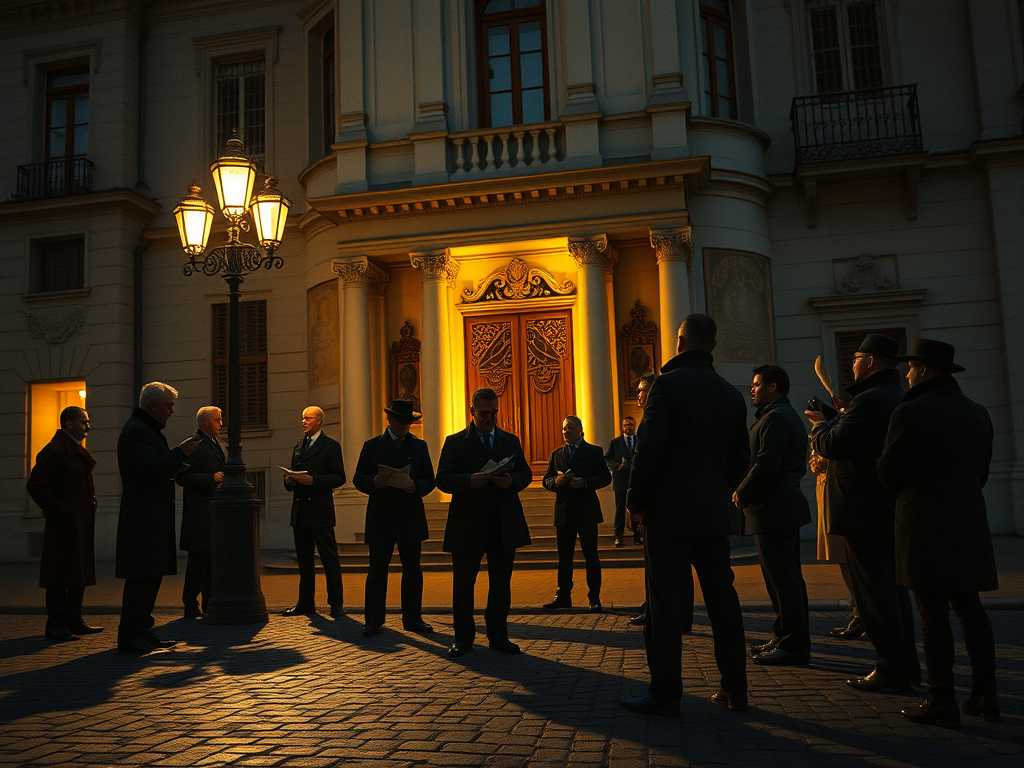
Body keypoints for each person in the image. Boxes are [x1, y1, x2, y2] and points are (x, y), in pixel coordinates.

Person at [622, 314, 750, 716]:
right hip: (712, 512)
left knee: (665, 603)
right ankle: (736, 688)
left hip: (668, 514)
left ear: (679, 343)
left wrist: (635, 501)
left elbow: (648, 450)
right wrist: (716, 491)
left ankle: (665, 691)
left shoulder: (665, 386)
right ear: (712, 346)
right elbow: (740, 460)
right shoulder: (731, 394)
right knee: (722, 600)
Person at [878, 339, 1000, 726]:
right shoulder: (978, 412)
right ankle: (985, 695)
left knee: (931, 612)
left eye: (910, 368)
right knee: (970, 607)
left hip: (924, 523)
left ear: (924, 370)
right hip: (968, 519)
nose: (907, 373)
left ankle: (941, 699)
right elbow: (980, 472)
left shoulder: (910, 411)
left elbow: (889, 473)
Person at [807, 334, 919, 692]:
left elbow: (835, 445)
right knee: (893, 589)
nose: (852, 364)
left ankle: (891, 668)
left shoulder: (870, 400)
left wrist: (819, 425)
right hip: (883, 508)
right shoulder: (892, 395)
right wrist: (835, 417)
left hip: (862, 510)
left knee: (874, 593)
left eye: (856, 359)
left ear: (870, 362)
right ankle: (906, 666)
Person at [436, 387, 532, 657]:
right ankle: (463, 638)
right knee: (464, 585)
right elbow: (442, 479)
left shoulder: (509, 441)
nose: (490, 418)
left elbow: (525, 472)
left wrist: (512, 480)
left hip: (503, 521)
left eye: (494, 413)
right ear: (472, 412)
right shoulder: (455, 442)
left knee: (501, 583)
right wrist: (468, 480)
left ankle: (498, 635)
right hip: (468, 524)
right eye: (484, 414)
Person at [732, 365, 811, 665]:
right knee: (781, 579)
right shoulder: (776, 415)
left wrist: (742, 491)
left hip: (775, 509)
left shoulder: (777, 418)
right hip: (775, 510)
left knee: (784, 580)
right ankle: (785, 636)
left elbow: (766, 463)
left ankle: (793, 644)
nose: (752, 389)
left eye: (756, 384)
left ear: (773, 386)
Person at [115, 382, 199, 654]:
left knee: (151, 576)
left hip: (151, 517)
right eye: (169, 405)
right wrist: (179, 453)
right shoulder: (137, 432)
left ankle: (143, 629)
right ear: (153, 406)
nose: (172, 411)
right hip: (142, 519)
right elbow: (150, 469)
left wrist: (174, 463)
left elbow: (153, 468)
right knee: (142, 577)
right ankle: (131, 634)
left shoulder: (146, 430)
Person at [353, 399, 436, 637]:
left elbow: (430, 479)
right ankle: (373, 620)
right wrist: (374, 482)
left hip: (409, 513)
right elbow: (359, 478)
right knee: (378, 568)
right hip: (382, 515)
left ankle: (413, 618)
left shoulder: (419, 447)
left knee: (412, 569)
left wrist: (415, 487)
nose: (406, 426)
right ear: (390, 420)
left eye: (409, 422)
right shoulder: (372, 445)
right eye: (402, 421)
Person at [27, 406, 102, 642]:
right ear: (69, 424)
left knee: (77, 573)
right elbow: (36, 486)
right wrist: (62, 511)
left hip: (77, 522)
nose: (88, 426)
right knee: (59, 576)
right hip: (64, 524)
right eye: (83, 422)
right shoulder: (56, 450)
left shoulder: (72, 448)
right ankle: (56, 624)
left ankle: (74, 620)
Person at [542, 415, 611, 612]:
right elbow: (546, 479)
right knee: (564, 557)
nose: (565, 432)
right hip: (564, 511)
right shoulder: (556, 455)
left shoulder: (593, 452)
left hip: (586, 510)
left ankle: (594, 596)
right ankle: (563, 596)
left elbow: (605, 477)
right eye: (563, 428)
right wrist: (556, 482)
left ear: (580, 430)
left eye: (570, 428)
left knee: (591, 555)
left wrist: (585, 482)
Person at [282, 406, 346, 618]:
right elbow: (293, 475)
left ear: (319, 421)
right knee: (304, 562)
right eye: (302, 418)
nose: (303, 422)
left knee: (329, 559)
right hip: (300, 511)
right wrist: (289, 481)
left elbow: (339, 477)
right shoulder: (298, 446)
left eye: (308, 418)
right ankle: (305, 603)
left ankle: (336, 603)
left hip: (320, 510)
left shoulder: (330, 446)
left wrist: (314, 481)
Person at [174, 406, 225, 619]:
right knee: (197, 562)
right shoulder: (193, 445)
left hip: (210, 512)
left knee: (210, 561)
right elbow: (181, 477)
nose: (221, 424)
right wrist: (210, 478)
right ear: (205, 423)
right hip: (198, 513)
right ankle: (190, 604)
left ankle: (209, 603)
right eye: (217, 420)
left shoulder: (213, 443)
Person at [605, 416, 639, 547]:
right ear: (622, 427)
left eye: (630, 424)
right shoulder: (615, 442)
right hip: (620, 480)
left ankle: (637, 536)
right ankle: (618, 536)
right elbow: (607, 458)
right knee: (620, 509)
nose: (628, 427)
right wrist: (617, 467)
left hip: (635, 481)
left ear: (634, 426)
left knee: (635, 508)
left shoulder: (639, 441)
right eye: (625, 425)